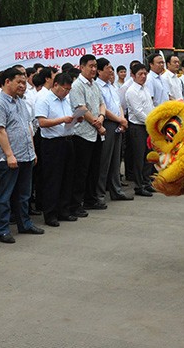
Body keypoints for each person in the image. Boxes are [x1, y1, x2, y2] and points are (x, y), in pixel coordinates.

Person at [0, 67, 44, 243]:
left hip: (26, 155)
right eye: (19, 82)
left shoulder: (20, 101)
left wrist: (33, 151)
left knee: (24, 195)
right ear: (7, 82)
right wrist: (9, 155)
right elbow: (0, 131)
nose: (23, 86)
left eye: (24, 82)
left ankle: (25, 224)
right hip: (11, 158)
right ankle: (2, 229)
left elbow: (28, 127)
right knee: (5, 196)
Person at [34, 73, 77, 226]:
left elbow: (67, 119)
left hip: (67, 140)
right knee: (53, 179)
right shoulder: (44, 99)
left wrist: (75, 119)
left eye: (69, 89)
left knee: (67, 178)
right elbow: (42, 122)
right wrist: (62, 120)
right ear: (56, 85)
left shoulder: (66, 100)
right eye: (65, 89)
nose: (67, 92)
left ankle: (63, 210)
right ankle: (50, 214)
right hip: (52, 143)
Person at [69, 54, 107, 212]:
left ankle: (91, 200)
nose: (93, 69)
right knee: (81, 171)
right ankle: (76, 204)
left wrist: (102, 117)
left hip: (96, 133)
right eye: (90, 66)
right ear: (81, 67)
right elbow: (81, 109)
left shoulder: (95, 85)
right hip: (82, 134)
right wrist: (97, 124)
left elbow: (101, 104)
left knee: (94, 169)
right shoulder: (77, 85)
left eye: (95, 66)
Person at [95, 58, 131, 203]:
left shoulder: (111, 86)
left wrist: (122, 120)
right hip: (108, 124)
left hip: (117, 123)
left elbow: (118, 105)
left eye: (111, 68)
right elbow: (103, 108)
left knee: (116, 160)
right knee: (104, 160)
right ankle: (99, 193)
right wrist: (119, 120)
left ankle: (116, 190)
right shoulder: (97, 86)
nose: (111, 70)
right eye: (108, 68)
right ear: (99, 71)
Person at [125, 62, 155, 197]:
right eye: (140, 74)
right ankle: (138, 186)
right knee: (138, 158)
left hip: (148, 126)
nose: (143, 76)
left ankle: (146, 182)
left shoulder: (145, 89)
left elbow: (150, 106)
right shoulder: (132, 91)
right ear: (133, 75)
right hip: (138, 127)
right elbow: (138, 112)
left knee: (148, 156)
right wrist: (152, 121)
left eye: (145, 74)